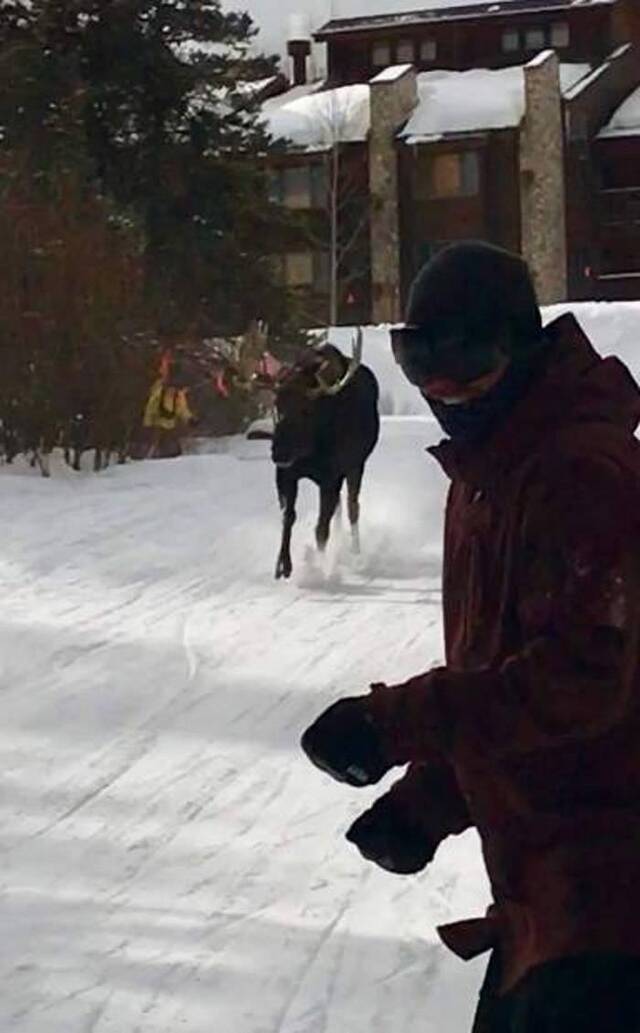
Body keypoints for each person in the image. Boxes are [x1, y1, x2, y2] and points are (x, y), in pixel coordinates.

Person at [300, 241, 640, 1032]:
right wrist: (432, 798)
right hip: (551, 897)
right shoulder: (491, 472)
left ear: (523, 349)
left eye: (468, 361)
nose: (444, 388)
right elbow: (510, 679)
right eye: (420, 361)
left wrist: (397, 721)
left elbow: (581, 677)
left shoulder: (579, 473)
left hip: (610, 898)